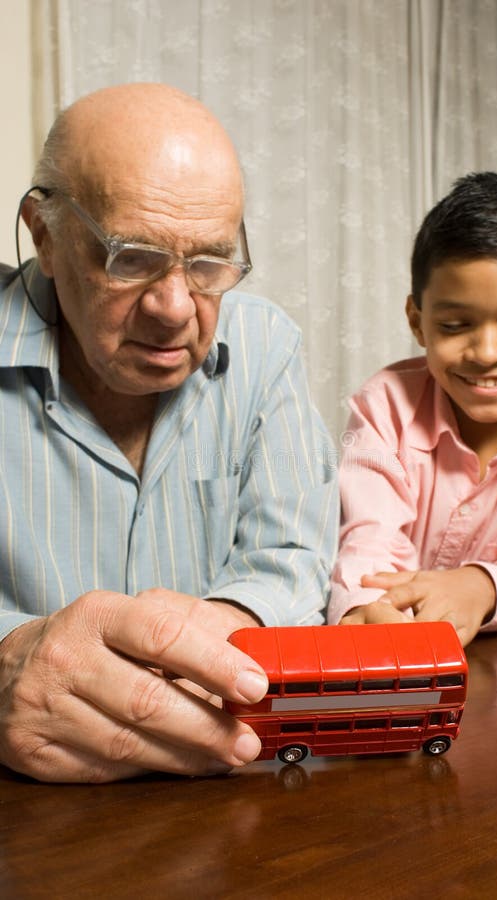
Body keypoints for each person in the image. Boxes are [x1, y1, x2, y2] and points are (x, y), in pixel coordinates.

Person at [0, 83, 338, 783]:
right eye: (131, 258)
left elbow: (293, 550)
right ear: (43, 235)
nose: (175, 308)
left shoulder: (265, 344)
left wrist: (219, 634)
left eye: (210, 263)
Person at [329, 172, 497, 646]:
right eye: (456, 325)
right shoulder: (383, 404)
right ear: (417, 320)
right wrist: (366, 608)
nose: (487, 352)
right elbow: (368, 537)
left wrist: (483, 587)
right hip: (402, 663)